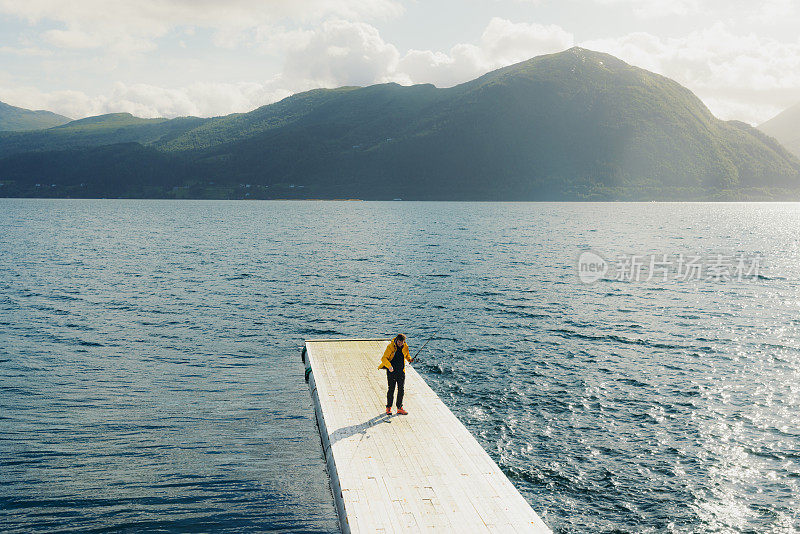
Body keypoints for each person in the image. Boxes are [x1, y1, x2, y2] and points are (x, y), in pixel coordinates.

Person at [378, 334, 414, 415]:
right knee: (391, 389)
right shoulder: (390, 347)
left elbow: (407, 355)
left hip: (401, 371)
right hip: (391, 371)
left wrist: (410, 359)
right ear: (396, 340)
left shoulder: (405, 346)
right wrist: (389, 366)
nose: (400, 344)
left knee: (401, 389)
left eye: (402, 342)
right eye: (399, 342)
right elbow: (384, 358)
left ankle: (399, 408)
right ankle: (388, 408)